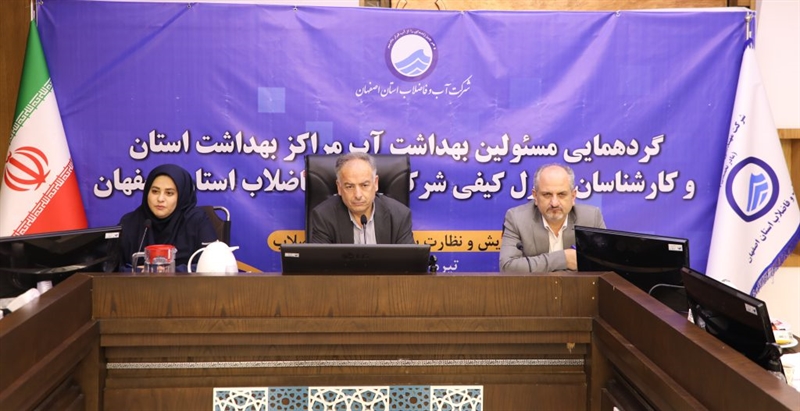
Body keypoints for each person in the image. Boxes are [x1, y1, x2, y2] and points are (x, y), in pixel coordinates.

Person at [500, 163, 605, 272]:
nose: (554, 203)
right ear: (535, 196)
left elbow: (606, 265)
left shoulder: (591, 218)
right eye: (547, 194)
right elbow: (507, 267)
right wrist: (563, 259)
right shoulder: (517, 219)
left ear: (573, 196)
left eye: (561, 194)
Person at [116, 164, 218, 271]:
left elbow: (213, 264)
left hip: (185, 282)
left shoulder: (196, 220)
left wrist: (167, 271)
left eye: (169, 193)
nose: (160, 199)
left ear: (181, 196)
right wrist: (138, 271)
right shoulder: (129, 222)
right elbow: (111, 268)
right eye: (155, 191)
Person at [308, 152, 414, 244]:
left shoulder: (399, 216)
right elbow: (320, 261)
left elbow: (408, 260)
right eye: (349, 186)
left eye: (364, 185)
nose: (358, 195)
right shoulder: (324, 217)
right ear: (339, 187)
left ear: (375, 183)